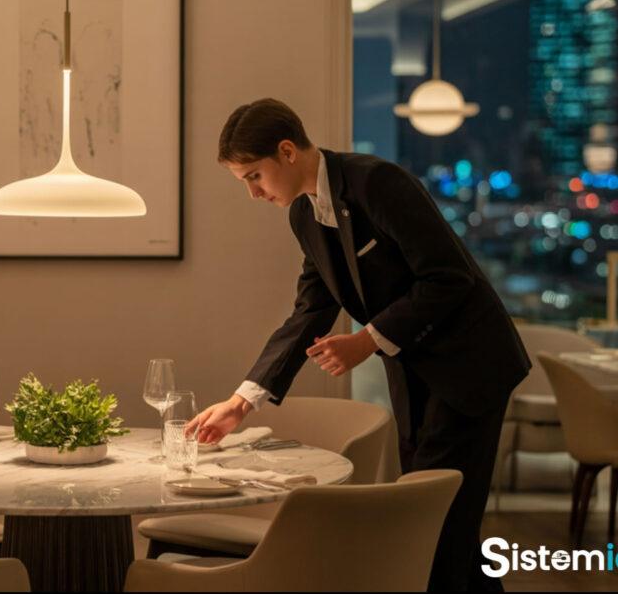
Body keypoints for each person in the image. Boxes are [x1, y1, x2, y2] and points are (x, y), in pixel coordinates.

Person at [187, 98, 528, 592]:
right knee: (434, 527)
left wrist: (367, 339)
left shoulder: (376, 182)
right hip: (413, 374)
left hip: (469, 367)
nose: (253, 194)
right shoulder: (304, 216)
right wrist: (243, 402)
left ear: (286, 151)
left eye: (253, 177)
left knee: (437, 528)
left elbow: (449, 278)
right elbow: (310, 310)